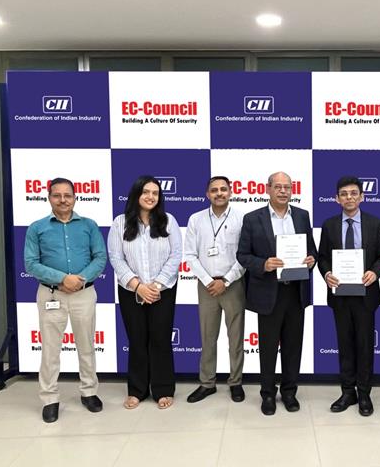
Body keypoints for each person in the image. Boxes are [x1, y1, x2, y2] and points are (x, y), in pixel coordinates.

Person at [24, 177, 107, 423]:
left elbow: (100, 258)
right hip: (51, 294)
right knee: (50, 349)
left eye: (67, 195)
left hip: (84, 294)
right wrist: (62, 279)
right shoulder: (37, 228)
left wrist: (79, 280)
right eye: (57, 195)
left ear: (75, 198)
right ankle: (50, 398)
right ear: (49, 198)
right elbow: (31, 263)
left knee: (86, 346)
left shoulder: (89, 225)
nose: (63, 200)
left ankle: (89, 392)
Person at [236, 171, 317, 416]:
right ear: (268, 189)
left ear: (292, 190)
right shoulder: (252, 218)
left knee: (293, 346)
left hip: (296, 291)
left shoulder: (302, 215)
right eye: (278, 187)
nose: (283, 191)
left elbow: (312, 250)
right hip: (268, 293)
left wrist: (311, 260)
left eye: (287, 187)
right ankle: (268, 393)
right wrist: (263, 264)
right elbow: (242, 255)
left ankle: (290, 392)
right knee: (268, 347)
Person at [107, 175, 182, 410]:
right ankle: (137, 390)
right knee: (137, 340)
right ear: (136, 195)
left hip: (163, 290)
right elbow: (116, 258)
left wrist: (156, 286)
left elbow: (176, 255)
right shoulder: (120, 223)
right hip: (131, 291)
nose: (151, 197)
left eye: (155, 193)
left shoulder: (168, 221)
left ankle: (163, 389)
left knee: (161, 339)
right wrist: (138, 286)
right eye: (146, 192)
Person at [318, 176, 380, 416]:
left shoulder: (375, 223)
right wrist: (326, 273)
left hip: (365, 295)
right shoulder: (328, 225)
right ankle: (348, 392)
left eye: (353, 193)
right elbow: (322, 257)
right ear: (337, 199)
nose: (349, 197)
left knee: (365, 345)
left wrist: (375, 272)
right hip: (339, 294)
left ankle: (364, 394)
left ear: (362, 196)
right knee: (345, 344)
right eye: (344, 194)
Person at [183, 176, 246, 404]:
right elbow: (190, 255)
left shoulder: (241, 218)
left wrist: (226, 281)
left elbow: (245, 255)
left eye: (223, 189)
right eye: (214, 190)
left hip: (234, 284)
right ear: (207, 194)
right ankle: (207, 383)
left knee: (236, 337)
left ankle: (235, 382)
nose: (219, 193)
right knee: (207, 336)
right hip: (206, 286)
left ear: (230, 192)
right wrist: (209, 280)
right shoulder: (196, 219)